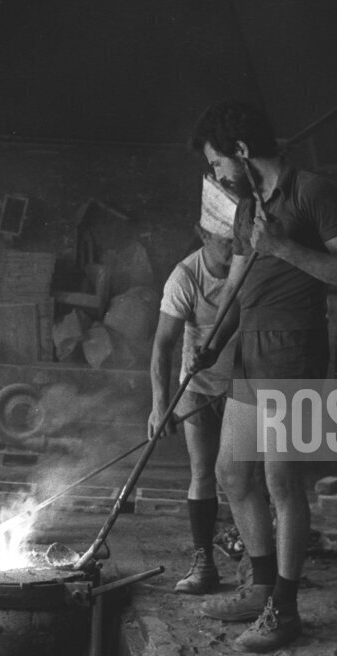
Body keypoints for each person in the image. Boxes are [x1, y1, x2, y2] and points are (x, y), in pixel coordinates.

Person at [190, 100, 337, 652]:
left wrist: (284, 247)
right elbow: (238, 284)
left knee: (282, 482)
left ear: (243, 151)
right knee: (232, 473)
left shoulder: (314, 192)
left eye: (217, 163)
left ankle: (285, 610)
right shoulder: (247, 207)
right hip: (250, 350)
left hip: (295, 352)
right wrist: (213, 341)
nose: (216, 174)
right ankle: (261, 587)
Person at [148, 217, 236, 595]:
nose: (234, 246)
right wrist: (160, 406)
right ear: (204, 234)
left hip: (243, 388)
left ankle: (253, 566)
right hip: (198, 387)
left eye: (238, 238)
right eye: (225, 240)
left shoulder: (249, 270)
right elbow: (163, 345)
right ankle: (204, 564)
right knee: (202, 473)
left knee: (243, 478)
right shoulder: (185, 277)